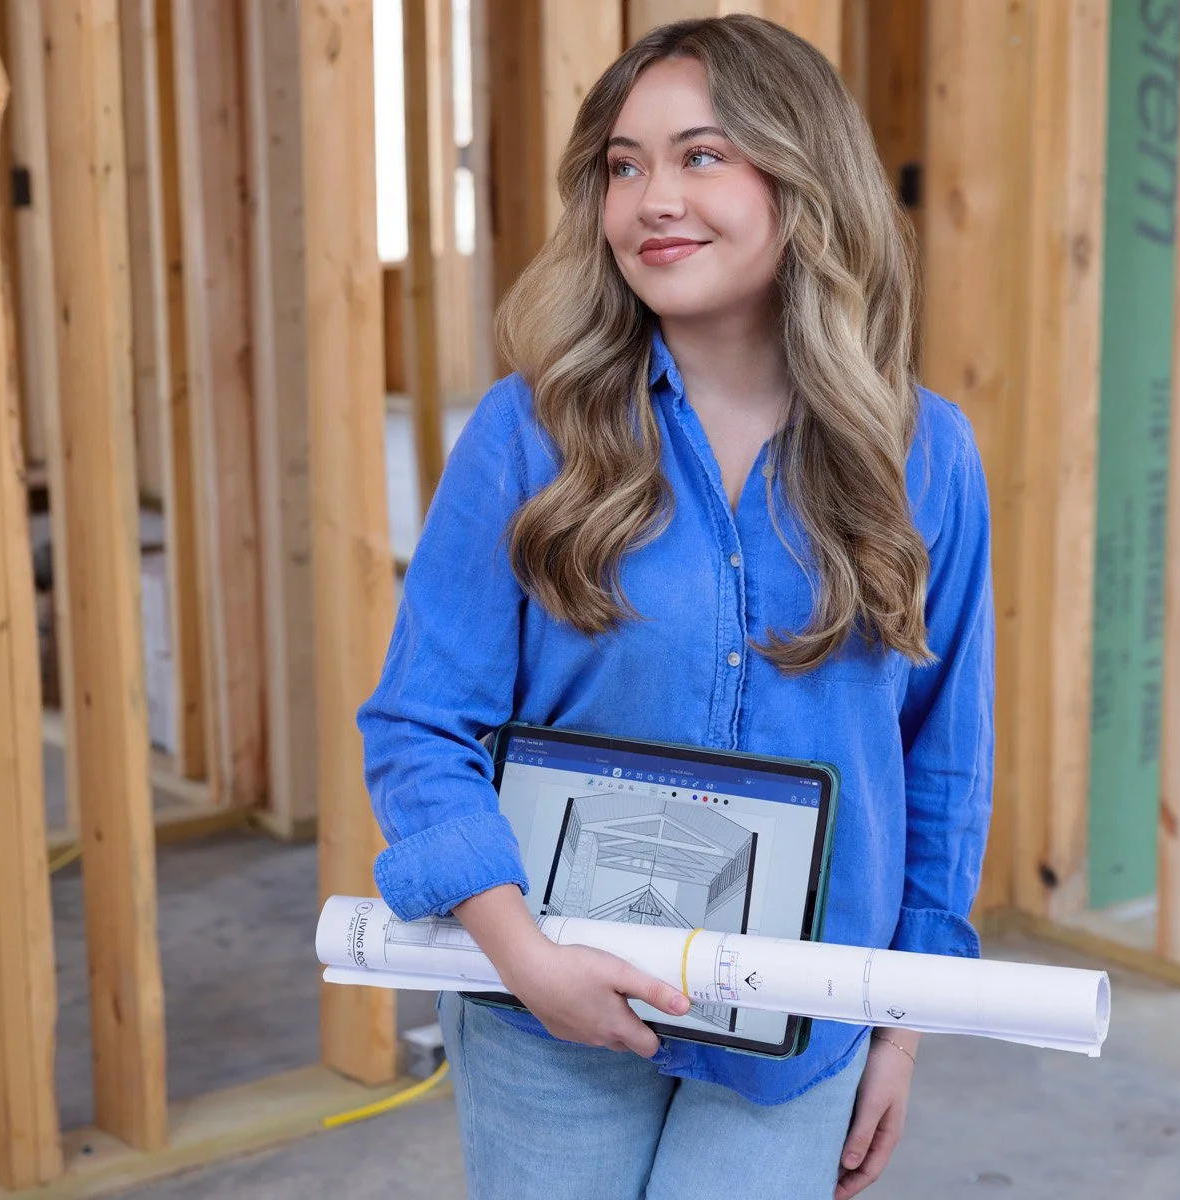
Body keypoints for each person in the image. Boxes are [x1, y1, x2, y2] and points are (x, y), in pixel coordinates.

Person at [357, 15, 993, 1199]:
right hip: (547, 1008)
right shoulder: (526, 431)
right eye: (623, 164)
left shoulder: (923, 456)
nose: (653, 197)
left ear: (803, 183)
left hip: (800, 1026)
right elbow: (417, 725)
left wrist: (899, 1023)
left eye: (702, 156)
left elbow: (940, 766)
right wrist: (524, 959)